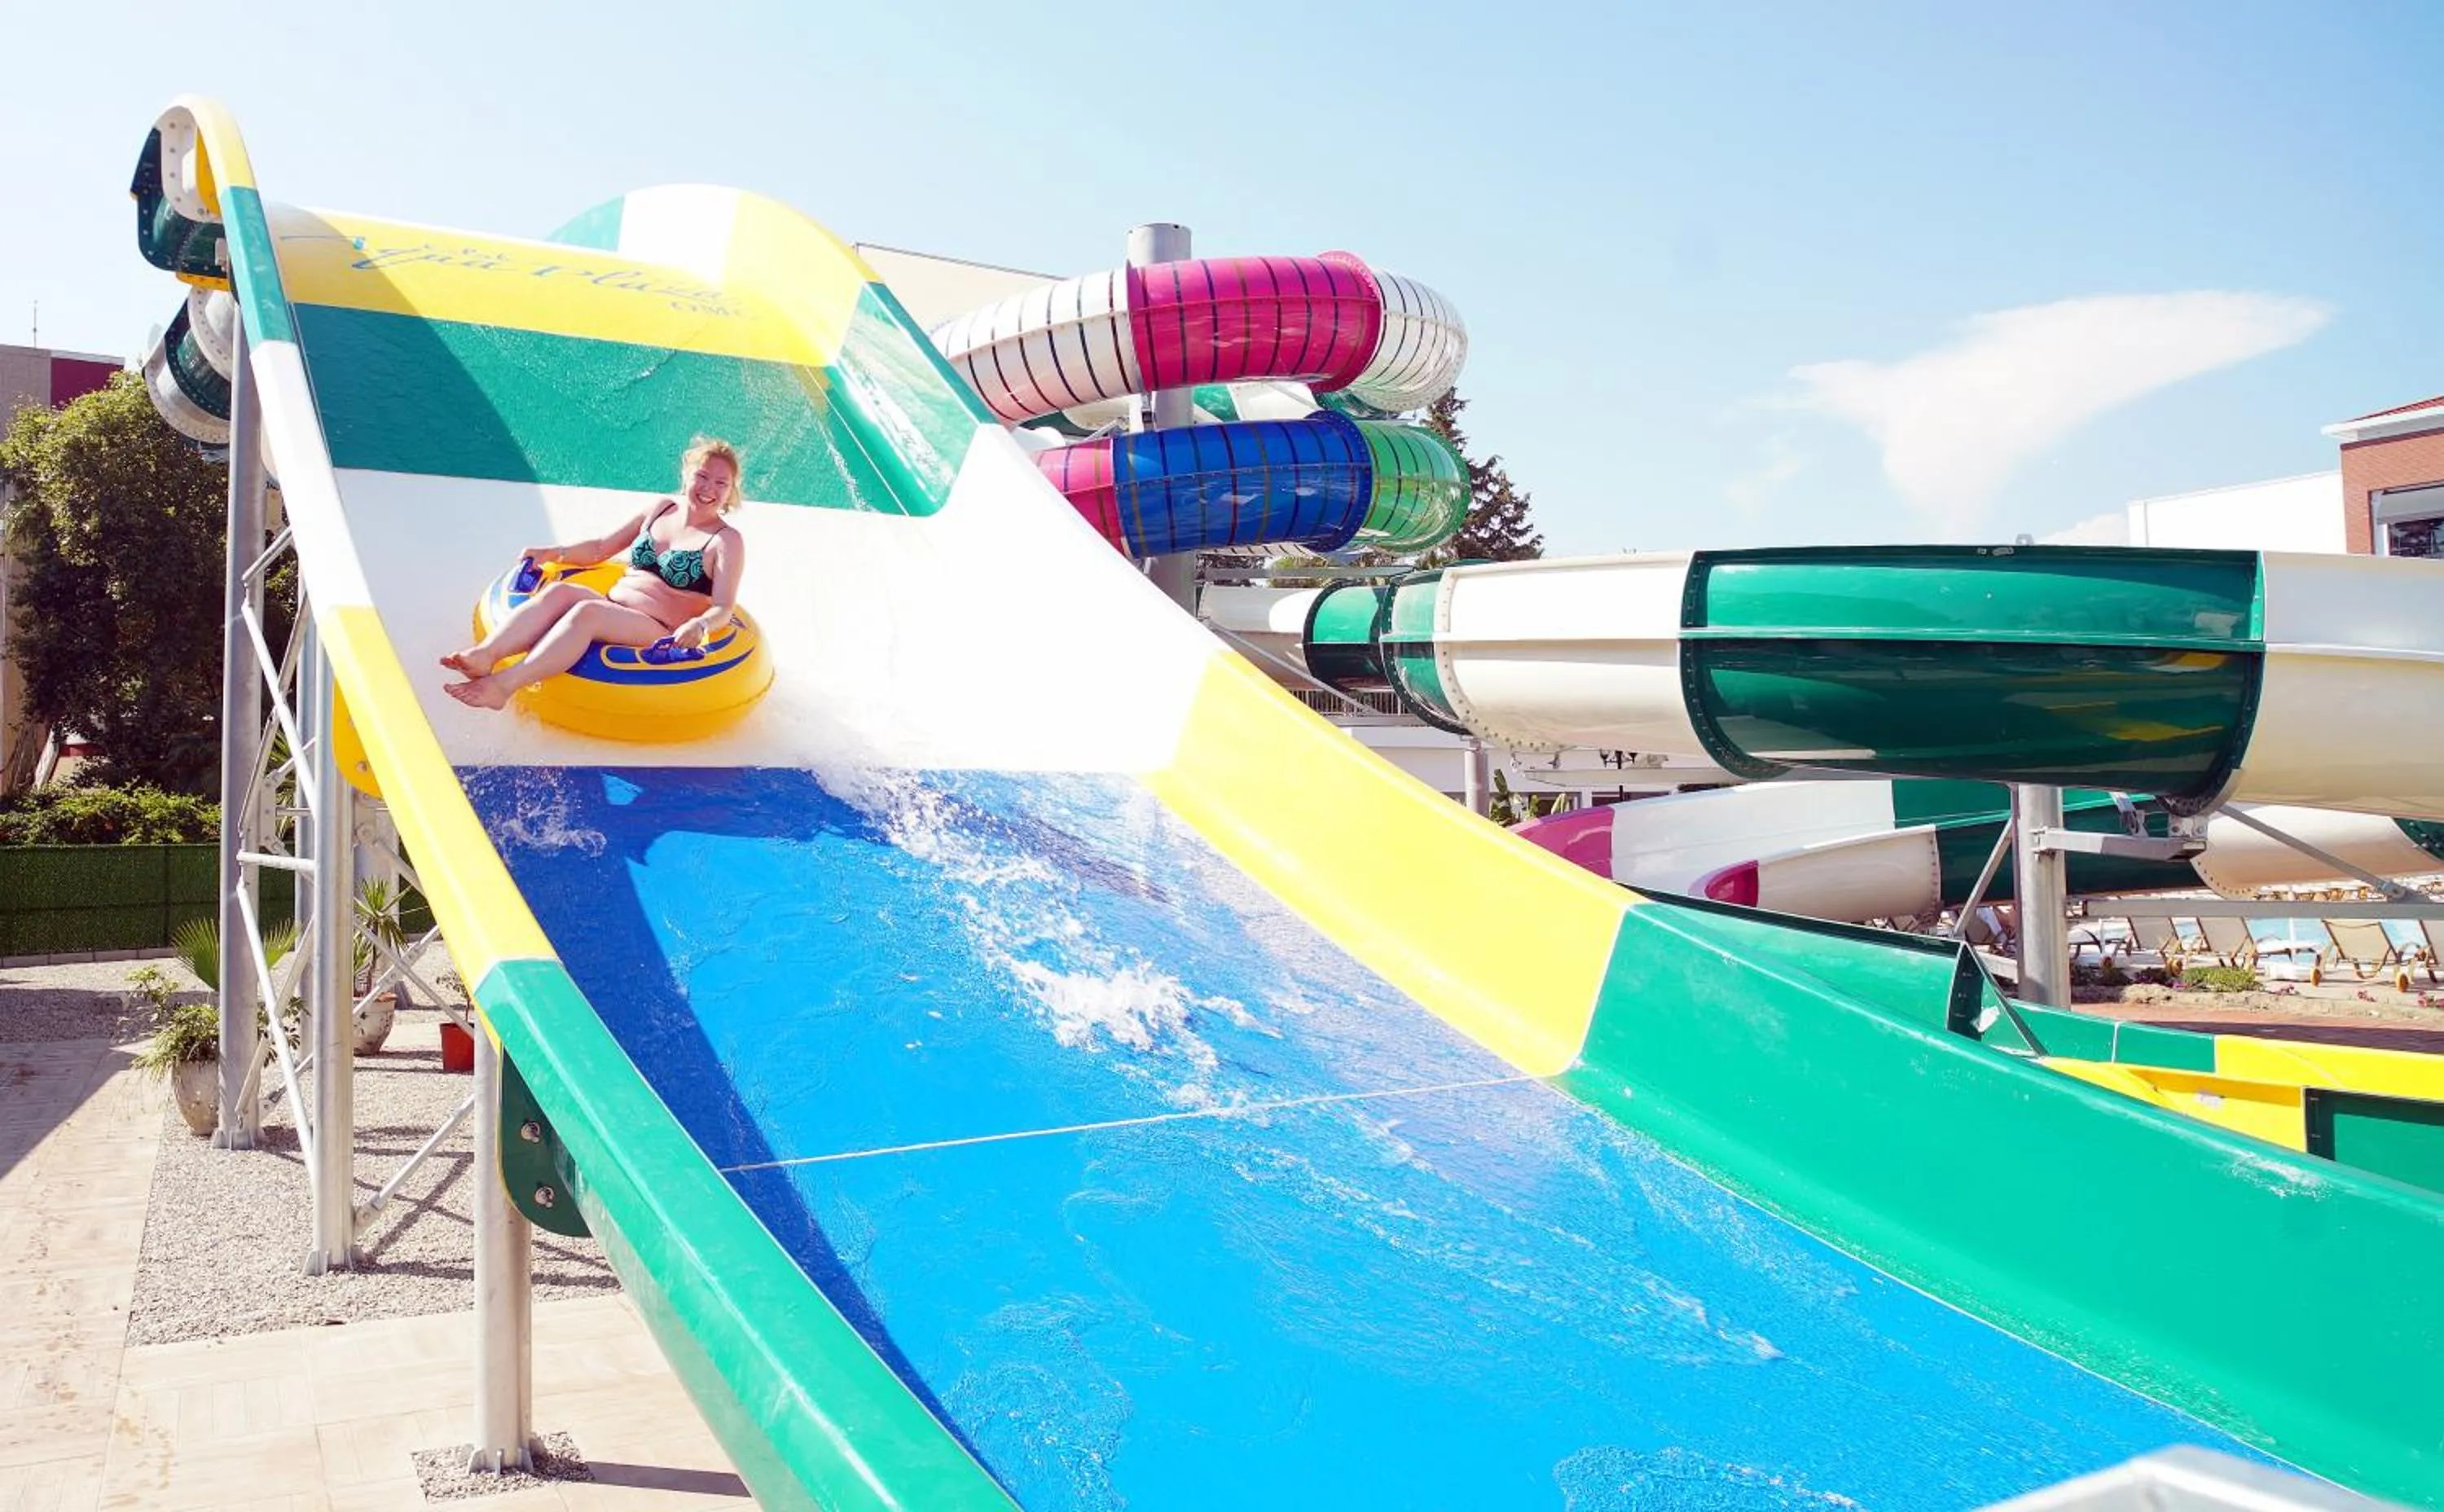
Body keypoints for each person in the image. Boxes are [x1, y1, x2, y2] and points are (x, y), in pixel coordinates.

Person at [442, 437, 749, 710]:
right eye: (702, 476)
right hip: (614, 605)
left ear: (730, 492)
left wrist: (699, 626)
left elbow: (723, 606)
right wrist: (553, 553)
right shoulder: (660, 509)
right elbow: (603, 547)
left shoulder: (726, 541)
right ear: (686, 475)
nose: (709, 488)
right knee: (562, 592)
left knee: (588, 613)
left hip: (659, 628)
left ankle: (503, 686)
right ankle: (485, 655)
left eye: (721, 484)